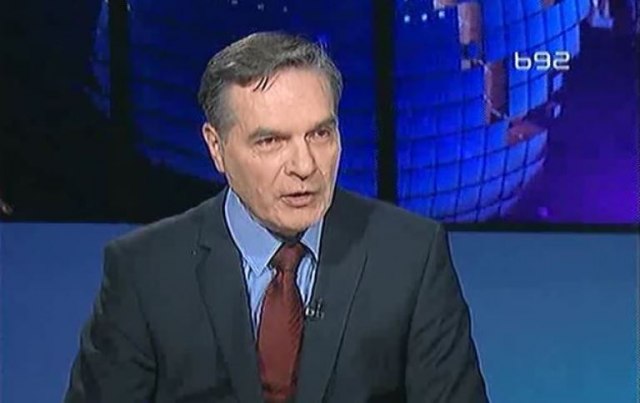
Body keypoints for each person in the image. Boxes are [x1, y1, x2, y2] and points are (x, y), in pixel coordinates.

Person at [64, 31, 488, 403]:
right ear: (216, 148)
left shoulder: (411, 257)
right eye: (271, 141)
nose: (305, 165)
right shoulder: (144, 271)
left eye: (320, 134)